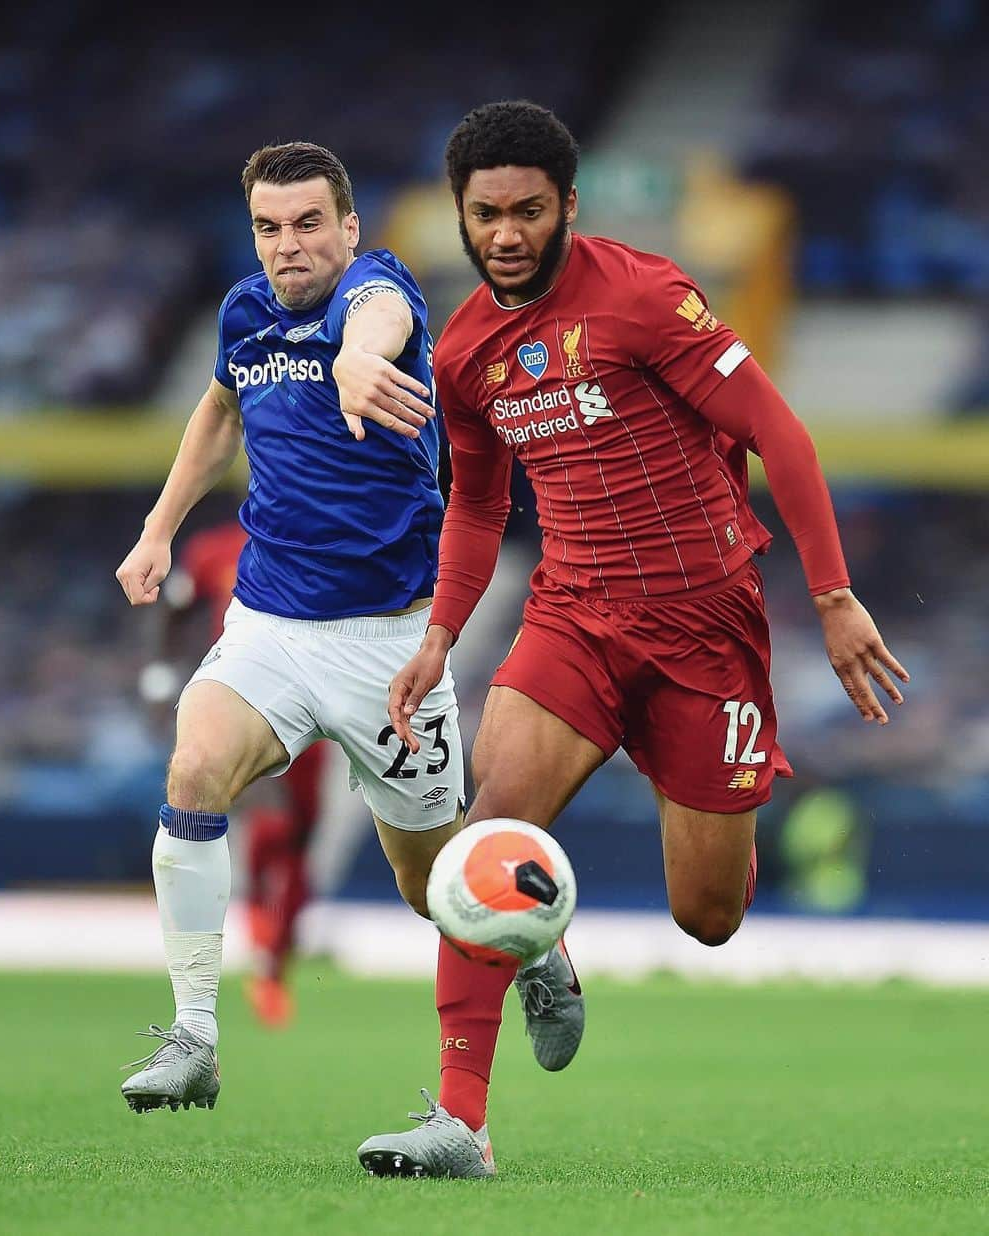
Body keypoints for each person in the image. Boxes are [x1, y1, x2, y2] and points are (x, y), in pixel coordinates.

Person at [357, 101, 908, 1178]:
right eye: (484, 215)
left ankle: (585, 907)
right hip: (575, 615)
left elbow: (775, 431)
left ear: (568, 205)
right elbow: (476, 506)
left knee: (707, 916)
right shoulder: (467, 350)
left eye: (526, 210)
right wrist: (441, 635)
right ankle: (461, 1121)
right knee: (484, 838)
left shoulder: (647, 296)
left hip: (707, 626)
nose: (505, 234)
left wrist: (835, 597)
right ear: (461, 220)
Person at [115, 141, 469, 1113]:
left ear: (348, 228)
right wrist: (157, 532)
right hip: (271, 623)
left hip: (389, 642)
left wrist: (359, 359)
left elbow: (378, 316)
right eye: (269, 227)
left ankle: (533, 944)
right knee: (192, 774)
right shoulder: (244, 314)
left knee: (432, 883)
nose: (288, 245)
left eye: (309, 223)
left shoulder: (380, 286)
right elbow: (218, 411)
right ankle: (193, 1036)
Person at [139, 518, 330, 1028]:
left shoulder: (323, 530)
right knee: (265, 827)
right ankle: (256, 962)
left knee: (300, 839)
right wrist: (160, 678)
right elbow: (177, 610)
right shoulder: (214, 548)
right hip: (244, 701)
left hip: (321, 704)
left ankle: (277, 951)